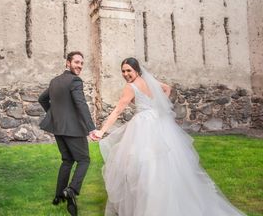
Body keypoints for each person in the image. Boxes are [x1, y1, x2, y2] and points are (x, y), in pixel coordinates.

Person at [93, 57, 246, 216]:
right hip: (157, 121)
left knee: (143, 165)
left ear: (137, 70)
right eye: (123, 71)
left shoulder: (130, 87)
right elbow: (167, 88)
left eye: (128, 70)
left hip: (144, 125)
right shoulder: (148, 81)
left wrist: (101, 131)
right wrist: (157, 105)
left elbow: (117, 111)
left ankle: (149, 206)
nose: (125, 74)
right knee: (160, 163)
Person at [38, 51, 97, 216]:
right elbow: (81, 104)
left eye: (81, 63)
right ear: (67, 63)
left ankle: (58, 197)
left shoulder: (54, 81)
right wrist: (91, 128)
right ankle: (71, 190)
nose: (79, 66)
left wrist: (54, 114)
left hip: (58, 128)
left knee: (67, 160)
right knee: (84, 160)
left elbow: (42, 99)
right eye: (77, 62)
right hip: (73, 129)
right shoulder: (75, 81)